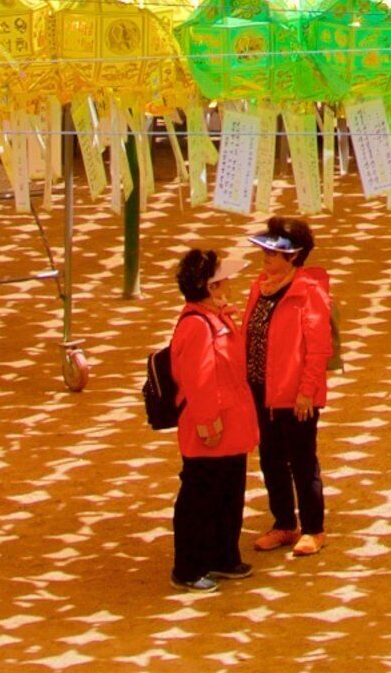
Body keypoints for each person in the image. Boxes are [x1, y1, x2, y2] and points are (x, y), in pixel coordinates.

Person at [241, 215, 339, 553]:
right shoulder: (260, 286)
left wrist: (306, 393)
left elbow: (318, 349)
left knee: (302, 461)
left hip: (295, 396)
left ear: (293, 256)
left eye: (272, 253)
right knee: (270, 459)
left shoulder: (308, 293)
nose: (265, 257)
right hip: (260, 391)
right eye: (265, 252)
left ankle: (314, 527)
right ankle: (284, 523)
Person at [166, 246, 257, 592]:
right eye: (222, 281)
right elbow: (198, 378)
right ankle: (188, 567)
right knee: (200, 496)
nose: (228, 284)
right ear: (209, 287)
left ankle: (223, 556)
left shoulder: (215, 318)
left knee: (229, 492)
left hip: (232, 422)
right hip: (212, 425)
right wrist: (208, 423)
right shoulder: (196, 326)